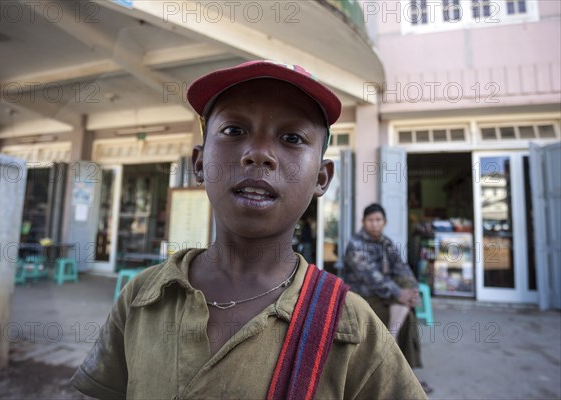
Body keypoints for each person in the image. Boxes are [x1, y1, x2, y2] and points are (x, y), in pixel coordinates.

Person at [71, 61, 427, 399]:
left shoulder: (352, 326)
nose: (258, 154)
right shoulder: (142, 296)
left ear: (321, 178)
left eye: (291, 137)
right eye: (233, 131)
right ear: (199, 163)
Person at [344, 203, 433, 394]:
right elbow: (372, 278)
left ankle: (405, 371)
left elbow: (402, 268)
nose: (375, 224)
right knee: (405, 311)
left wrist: (412, 289)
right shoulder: (356, 245)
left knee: (406, 299)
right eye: (371, 220)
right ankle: (402, 371)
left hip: (386, 297)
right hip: (363, 299)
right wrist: (400, 294)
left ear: (384, 222)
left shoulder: (386, 243)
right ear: (363, 222)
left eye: (378, 220)